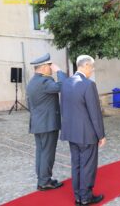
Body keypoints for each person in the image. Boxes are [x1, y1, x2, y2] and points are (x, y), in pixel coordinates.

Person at [60, 55, 106, 205]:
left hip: (71, 132)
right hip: (87, 134)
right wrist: (101, 135)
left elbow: (64, 108)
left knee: (77, 164)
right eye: (92, 67)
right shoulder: (88, 85)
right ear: (86, 65)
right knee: (87, 166)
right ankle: (85, 197)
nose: (92, 71)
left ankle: (78, 196)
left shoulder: (66, 83)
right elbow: (95, 113)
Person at [26, 53, 67, 191]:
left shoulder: (32, 82)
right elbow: (63, 86)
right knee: (47, 153)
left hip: (38, 123)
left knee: (41, 152)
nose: (51, 69)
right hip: (47, 124)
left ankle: (42, 179)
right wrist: (59, 71)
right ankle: (45, 181)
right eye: (49, 66)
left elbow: (29, 104)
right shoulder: (45, 82)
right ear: (43, 67)